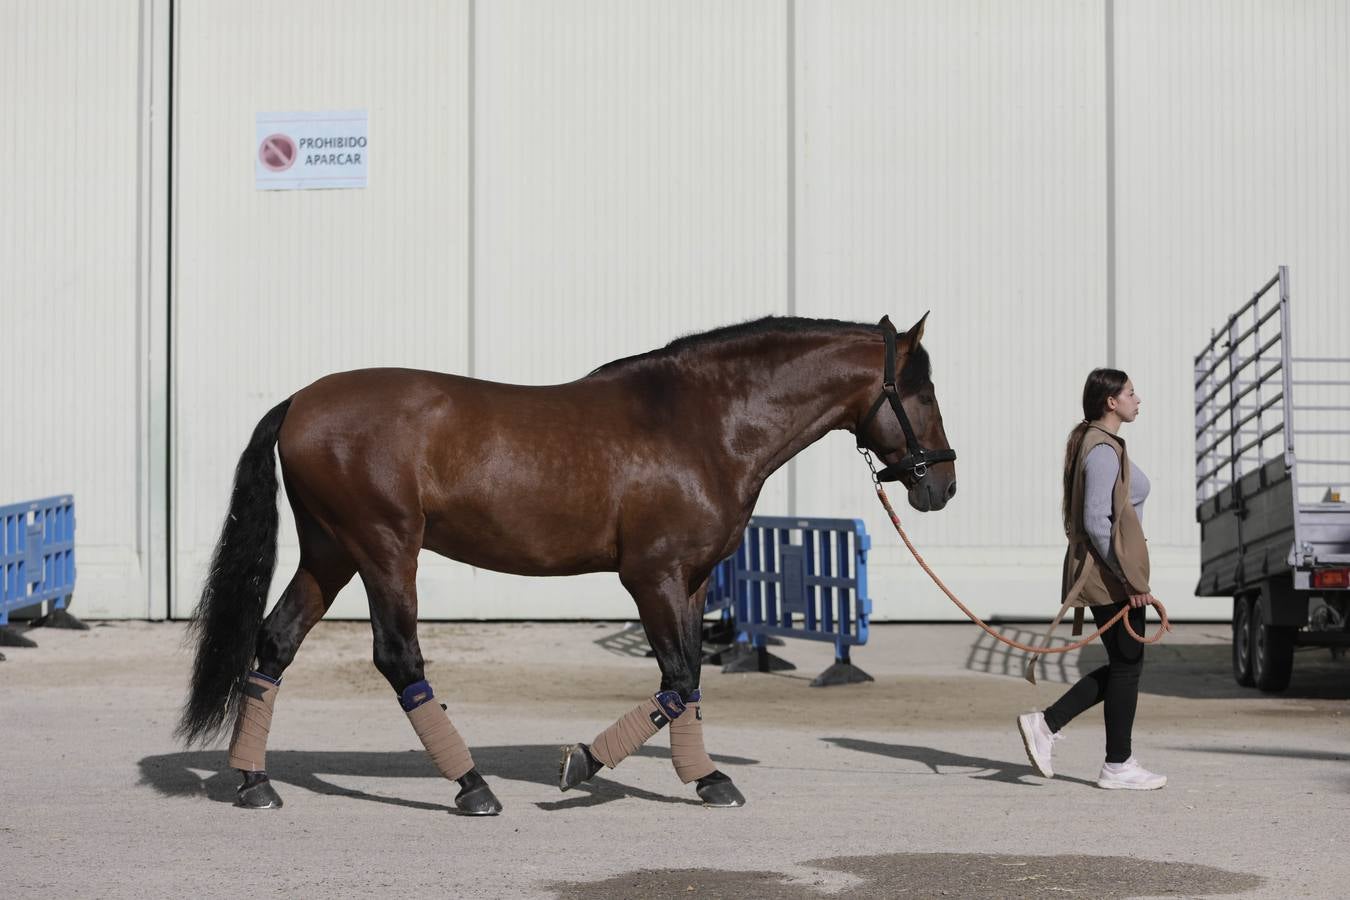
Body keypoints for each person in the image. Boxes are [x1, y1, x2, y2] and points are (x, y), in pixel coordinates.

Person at [1017, 368, 1167, 790]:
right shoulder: (1101, 450)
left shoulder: (1103, 444)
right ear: (1111, 402)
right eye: (1131, 393)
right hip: (1110, 573)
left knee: (1125, 664)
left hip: (1113, 569)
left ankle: (1053, 728)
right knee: (1127, 666)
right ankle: (1114, 762)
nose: (1138, 399)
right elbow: (1097, 522)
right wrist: (1129, 579)